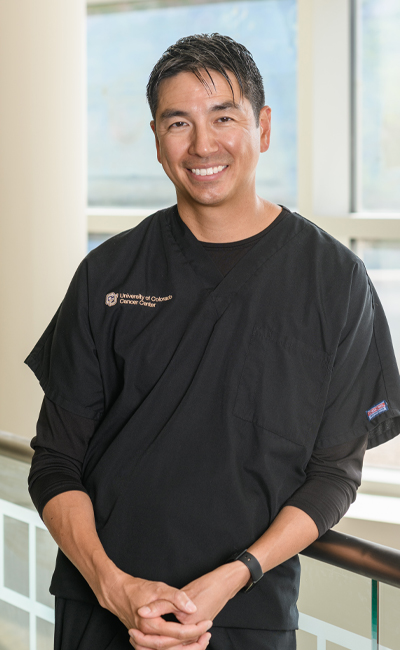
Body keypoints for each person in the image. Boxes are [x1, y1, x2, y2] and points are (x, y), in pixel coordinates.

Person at [25, 34, 400, 650]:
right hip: (102, 606)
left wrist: (238, 575)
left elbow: (334, 473)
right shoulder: (109, 273)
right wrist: (116, 588)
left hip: (246, 614)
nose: (203, 145)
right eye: (179, 122)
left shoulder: (333, 280)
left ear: (263, 126)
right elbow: (56, 461)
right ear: (156, 138)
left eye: (224, 117)